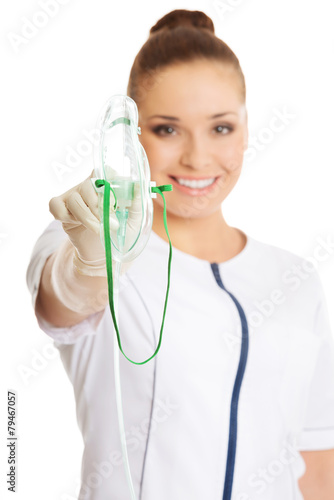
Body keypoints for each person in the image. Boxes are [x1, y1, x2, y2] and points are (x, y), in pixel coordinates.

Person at [26, 9, 334, 500]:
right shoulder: (90, 236)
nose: (197, 158)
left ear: (246, 127)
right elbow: (63, 300)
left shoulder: (294, 279)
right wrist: (92, 262)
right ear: (132, 133)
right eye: (167, 129)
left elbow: (317, 466)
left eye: (220, 128)